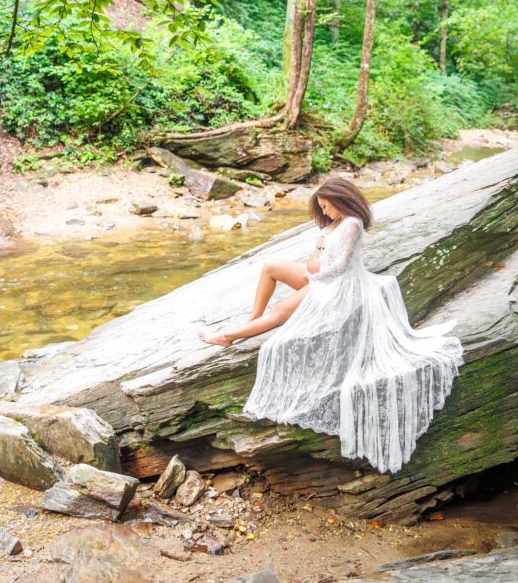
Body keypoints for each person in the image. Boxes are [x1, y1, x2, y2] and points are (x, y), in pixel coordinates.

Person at [199, 177, 464, 473]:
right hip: (322, 278)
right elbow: (316, 260)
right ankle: (251, 322)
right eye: (321, 207)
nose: (324, 212)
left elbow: (339, 267)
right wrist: (318, 252)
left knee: (279, 311)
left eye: (327, 206)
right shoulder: (331, 223)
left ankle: (227, 337)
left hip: (339, 286)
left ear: (341, 199)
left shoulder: (351, 224)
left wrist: (314, 278)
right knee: (270, 267)